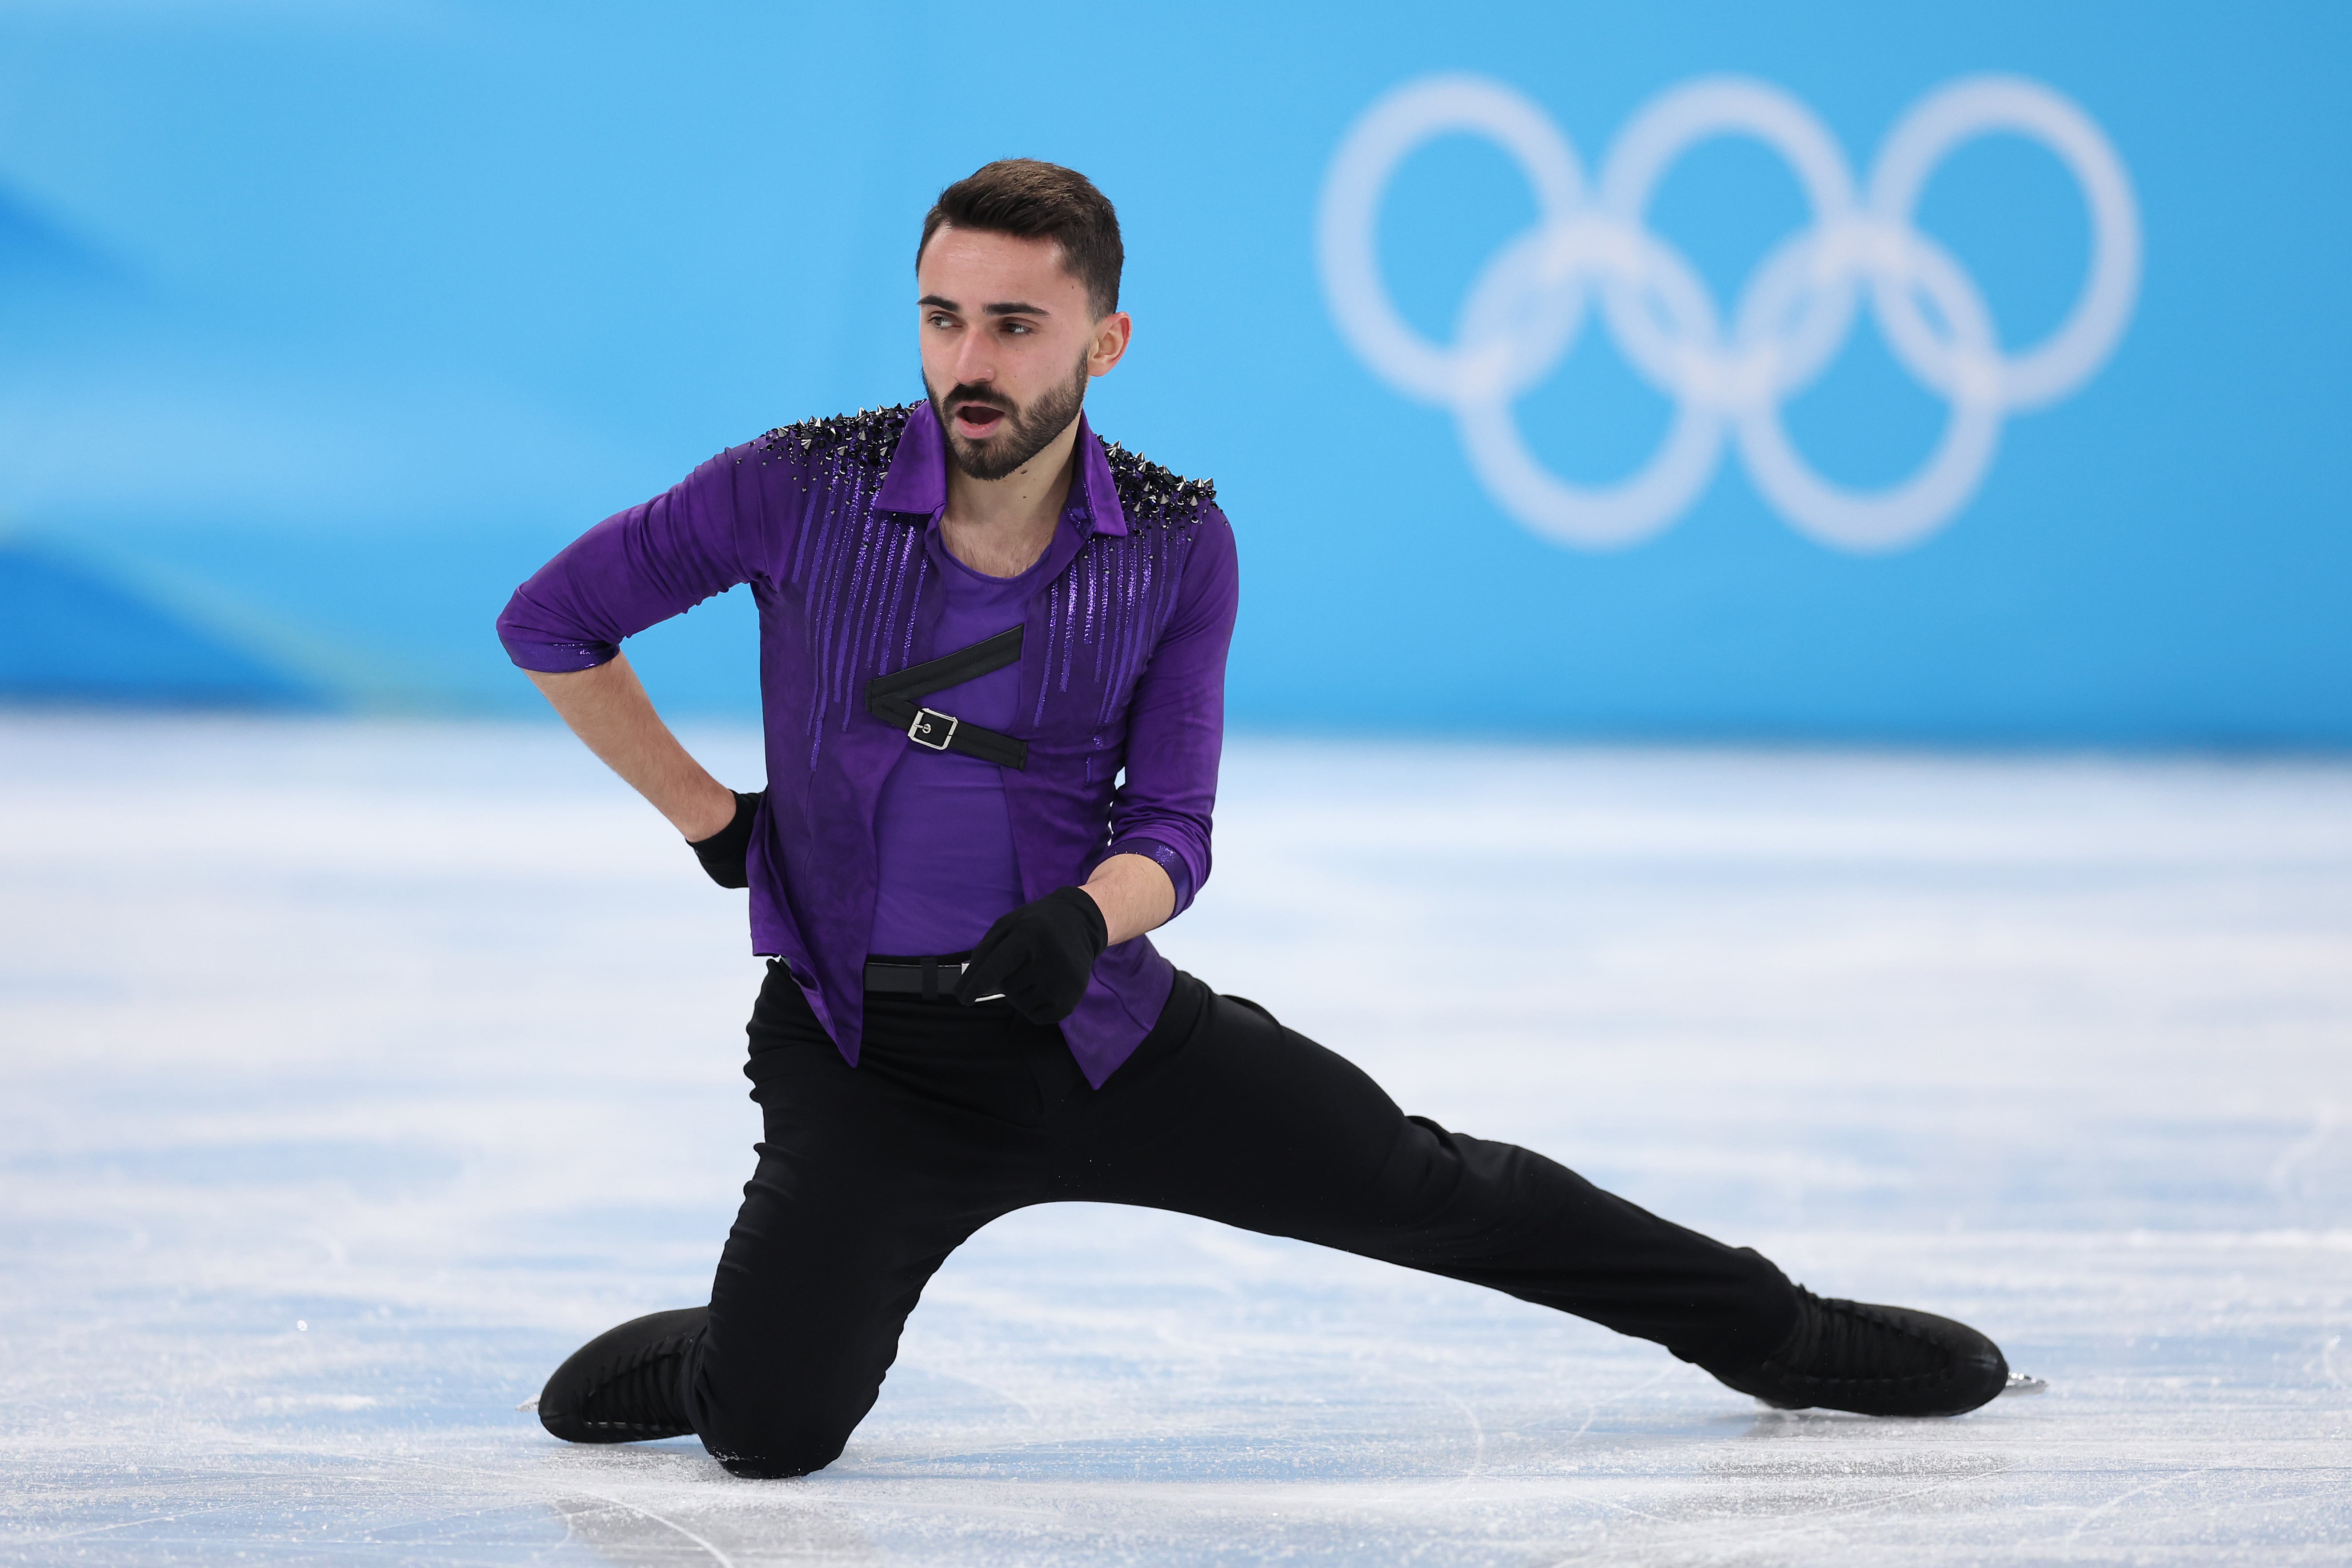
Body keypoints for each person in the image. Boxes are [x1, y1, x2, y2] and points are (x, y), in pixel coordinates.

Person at [496, 159, 2015, 1480]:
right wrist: (715, 825)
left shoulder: (1171, 543)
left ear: (1103, 340)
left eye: (1013, 326)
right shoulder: (797, 486)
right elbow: (552, 620)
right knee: (767, 1439)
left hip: (1095, 1034)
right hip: (863, 1060)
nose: (968, 360)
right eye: (941, 318)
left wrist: (1081, 921)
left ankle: (1782, 1332)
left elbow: (1173, 825)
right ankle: (754, 1333)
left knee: (1432, 1189)